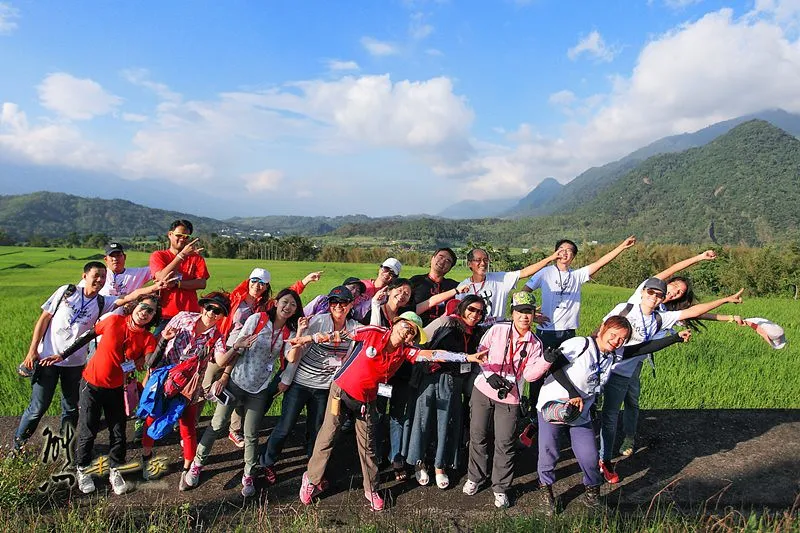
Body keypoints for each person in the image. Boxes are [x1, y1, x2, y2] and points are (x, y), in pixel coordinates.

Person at [296, 312, 488, 511]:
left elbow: (433, 354)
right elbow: (342, 335)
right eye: (406, 327)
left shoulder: (406, 351)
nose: (407, 334)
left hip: (367, 400)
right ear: (397, 323)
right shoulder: (374, 333)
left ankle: (371, 489)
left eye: (412, 333)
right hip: (342, 391)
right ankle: (311, 479)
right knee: (328, 436)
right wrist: (308, 338)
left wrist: (468, 357)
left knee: (368, 446)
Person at [535, 316, 692, 515]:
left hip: (580, 412)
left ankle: (592, 496)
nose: (616, 340)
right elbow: (554, 367)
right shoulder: (580, 344)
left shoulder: (613, 355)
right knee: (550, 452)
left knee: (589, 456)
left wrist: (676, 338)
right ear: (602, 328)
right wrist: (573, 394)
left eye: (622, 339)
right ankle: (546, 492)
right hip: (554, 406)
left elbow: (643, 348)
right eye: (613, 334)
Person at [598, 278, 744, 484]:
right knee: (589, 409)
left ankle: (604, 459)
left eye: (659, 295)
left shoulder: (661, 318)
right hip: (602, 366)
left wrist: (725, 300)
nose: (655, 297)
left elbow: (694, 312)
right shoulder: (625, 308)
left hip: (623, 373)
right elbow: (602, 331)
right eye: (651, 292)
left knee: (611, 416)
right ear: (642, 291)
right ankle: (584, 449)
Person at [14, 261, 166, 452]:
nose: (100, 280)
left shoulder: (102, 302)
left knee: (70, 409)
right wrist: (32, 350)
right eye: (96, 275)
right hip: (47, 358)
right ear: (84, 276)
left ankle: (66, 447)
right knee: (37, 407)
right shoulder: (67, 292)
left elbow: (129, 297)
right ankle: (17, 448)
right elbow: (44, 318)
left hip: (75, 364)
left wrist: (154, 287)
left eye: (103, 276)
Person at [183, 289, 305, 497]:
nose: (288, 307)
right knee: (217, 424)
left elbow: (292, 359)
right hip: (236, 382)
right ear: (276, 303)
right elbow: (238, 348)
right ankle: (197, 464)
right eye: (285, 302)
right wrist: (224, 377)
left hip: (259, 389)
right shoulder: (257, 320)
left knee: (251, 434)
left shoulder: (289, 333)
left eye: (293, 305)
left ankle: (248, 474)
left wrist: (300, 335)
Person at [38, 295, 164, 495]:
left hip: (116, 388)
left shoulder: (147, 338)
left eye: (151, 312)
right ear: (134, 306)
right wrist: (62, 355)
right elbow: (88, 336)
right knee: (88, 429)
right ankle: (82, 469)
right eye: (143, 307)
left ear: (153, 317)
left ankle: (115, 469)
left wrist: (163, 340)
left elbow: (150, 362)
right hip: (91, 384)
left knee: (118, 431)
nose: (145, 313)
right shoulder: (114, 321)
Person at [202, 267, 321, 448]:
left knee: (237, 391)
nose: (257, 286)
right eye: (254, 281)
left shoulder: (265, 307)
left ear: (266, 287)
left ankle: (234, 430)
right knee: (206, 389)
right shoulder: (235, 298)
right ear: (248, 281)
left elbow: (287, 300)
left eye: (262, 283)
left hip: (243, 353)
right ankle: (196, 427)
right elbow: (212, 312)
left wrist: (305, 281)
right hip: (223, 349)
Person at [258, 285, 361, 484]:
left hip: (325, 388)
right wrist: (286, 379)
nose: (338, 306)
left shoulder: (354, 327)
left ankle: (313, 468)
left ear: (350, 305)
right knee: (285, 426)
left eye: (343, 303)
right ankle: (266, 462)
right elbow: (294, 350)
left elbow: (372, 332)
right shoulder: (318, 321)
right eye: (334, 302)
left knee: (317, 429)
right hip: (300, 383)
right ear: (329, 305)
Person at [462, 292, 554, 509]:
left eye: (529, 312)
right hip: (483, 389)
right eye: (520, 312)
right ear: (512, 313)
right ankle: (475, 477)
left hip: (511, 397)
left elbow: (531, 375)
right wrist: (488, 374)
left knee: (505, 442)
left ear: (534, 315)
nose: (524, 317)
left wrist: (546, 362)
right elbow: (480, 353)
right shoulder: (498, 329)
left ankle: (501, 487)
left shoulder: (535, 343)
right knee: (478, 435)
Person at [139, 291, 230, 491]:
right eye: (209, 307)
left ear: (223, 317)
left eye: (218, 312)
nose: (211, 313)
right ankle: (146, 456)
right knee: (152, 417)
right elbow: (161, 345)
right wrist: (150, 372)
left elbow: (222, 360)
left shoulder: (217, 338)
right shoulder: (182, 318)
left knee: (187, 426)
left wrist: (238, 346)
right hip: (164, 379)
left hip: (188, 388)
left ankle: (187, 468)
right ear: (202, 306)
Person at [406, 295, 487, 490]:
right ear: (462, 308)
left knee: (446, 424)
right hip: (432, 377)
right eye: (471, 309)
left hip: (455, 382)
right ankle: (419, 462)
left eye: (480, 312)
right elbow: (421, 339)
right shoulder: (446, 322)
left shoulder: (478, 333)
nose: (475, 315)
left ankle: (439, 466)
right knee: (423, 421)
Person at [522, 236, 637, 350]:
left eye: (569, 250)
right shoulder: (544, 273)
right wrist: (531, 315)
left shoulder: (577, 275)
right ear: (555, 252)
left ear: (573, 256)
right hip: (546, 330)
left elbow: (600, 263)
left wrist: (622, 247)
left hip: (569, 331)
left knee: (567, 366)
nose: (564, 252)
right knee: (543, 365)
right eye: (561, 249)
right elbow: (523, 293)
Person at [458, 247, 563, 323]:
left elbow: (525, 272)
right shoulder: (462, 287)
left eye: (486, 260)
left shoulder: (500, 279)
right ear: (469, 263)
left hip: (497, 330)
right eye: (478, 260)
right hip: (474, 331)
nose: (483, 263)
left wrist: (550, 258)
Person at [149, 219, 209, 333]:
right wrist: (182, 256)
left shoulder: (196, 258)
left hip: (190, 315)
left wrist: (178, 284)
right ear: (170, 234)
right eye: (179, 235)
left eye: (186, 236)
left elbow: (202, 283)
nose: (182, 239)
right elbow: (161, 277)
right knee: (159, 347)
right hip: (165, 315)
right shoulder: (159, 256)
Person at [410, 248, 460, 326]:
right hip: (417, 328)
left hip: (444, 330)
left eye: (448, 261)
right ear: (432, 258)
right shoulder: (416, 281)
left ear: (450, 268)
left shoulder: (454, 286)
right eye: (440, 256)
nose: (443, 261)